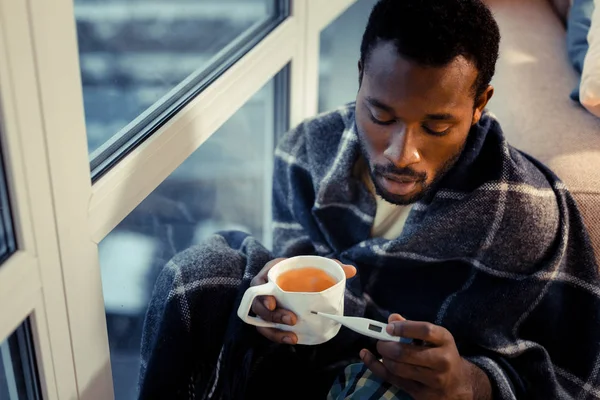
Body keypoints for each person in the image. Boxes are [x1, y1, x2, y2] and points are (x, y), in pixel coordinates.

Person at [138, 0, 600, 399]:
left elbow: (564, 375)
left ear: (480, 104)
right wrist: (270, 319)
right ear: (360, 78)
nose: (402, 154)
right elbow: (293, 278)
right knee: (196, 276)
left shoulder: (522, 213)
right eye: (380, 115)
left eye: (437, 127)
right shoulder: (304, 153)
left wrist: (470, 384)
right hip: (307, 365)